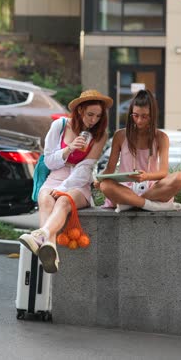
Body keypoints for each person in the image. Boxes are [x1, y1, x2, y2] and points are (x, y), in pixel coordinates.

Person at [19, 89, 113, 272]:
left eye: (98, 116)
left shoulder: (100, 135)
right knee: (45, 198)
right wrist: (68, 149)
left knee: (63, 200)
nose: (93, 120)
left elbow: (85, 169)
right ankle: (51, 251)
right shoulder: (60, 125)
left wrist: (64, 187)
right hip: (56, 175)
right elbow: (49, 161)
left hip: (79, 182)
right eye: (90, 115)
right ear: (80, 111)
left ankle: (41, 236)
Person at [96, 89, 181, 212]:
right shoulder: (120, 135)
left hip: (151, 190)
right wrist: (99, 179)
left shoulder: (161, 137)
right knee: (105, 185)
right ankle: (150, 205)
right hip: (125, 189)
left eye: (144, 116)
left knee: (180, 177)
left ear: (152, 115)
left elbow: (164, 172)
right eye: (136, 115)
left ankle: (131, 203)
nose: (139, 120)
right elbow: (110, 169)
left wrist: (146, 176)